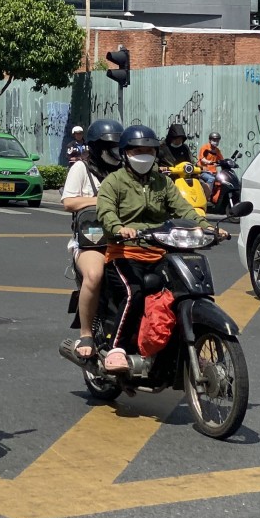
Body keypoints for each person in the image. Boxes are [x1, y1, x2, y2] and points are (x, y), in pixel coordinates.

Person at [96, 124, 226, 373]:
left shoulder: (162, 182)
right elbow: (106, 211)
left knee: (183, 291)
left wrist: (208, 227)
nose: (144, 156)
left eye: (149, 151)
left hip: (160, 252)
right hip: (125, 253)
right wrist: (119, 228)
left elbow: (184, 209)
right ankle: (116, 348)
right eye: (137, 151)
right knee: (134, 293)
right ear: (125, 154)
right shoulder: (114, 181)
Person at [61, 118, 124, 361]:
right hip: (92, 241)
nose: (115, 152)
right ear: (97, 147)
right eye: (110, 147)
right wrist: (101, 201)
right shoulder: (82, 168)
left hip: (125, 239)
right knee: (95, 274)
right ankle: (86, 333)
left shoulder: (125, 170)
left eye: (118, 146)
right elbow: (69, 202)